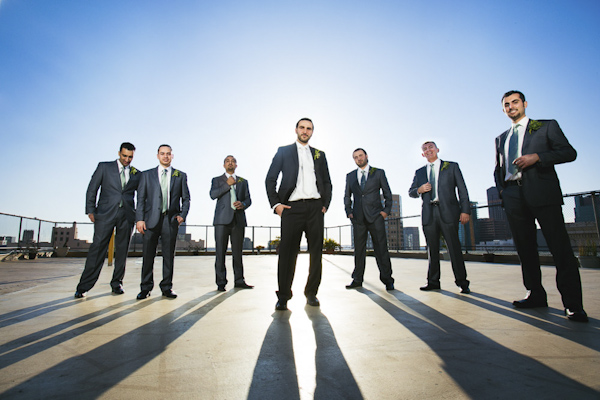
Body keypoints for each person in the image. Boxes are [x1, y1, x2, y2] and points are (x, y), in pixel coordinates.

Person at [495, 90, 587, 322]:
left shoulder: (546, 126)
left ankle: (573, 304)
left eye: (515, 102)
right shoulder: (501, 138)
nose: (511, 107)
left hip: (542, 191)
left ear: (524, 104)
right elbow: (499, 168)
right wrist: (503, 192)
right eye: (506, 104)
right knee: (525, 249)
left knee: (560, 248)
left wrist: (537, 157)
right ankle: (535, 294)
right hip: (513, 195)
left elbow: (569, 152)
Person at [265, 118, 332, 310]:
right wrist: (276, 204)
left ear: (312, 132)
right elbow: (270, 179)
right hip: (291, 209)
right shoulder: (283, 151)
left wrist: (325, 204)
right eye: (302, 127)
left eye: (308, 129)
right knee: (287, 253)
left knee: (316, 253)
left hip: (315, 209)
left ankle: (311, 293)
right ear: (296, 129)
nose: (305, 131)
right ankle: (283, 296)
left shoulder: (320, 154)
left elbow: (327, 181)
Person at [75, 142, 140, 298]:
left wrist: (140, 216)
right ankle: (84, 286)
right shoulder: (104, 167)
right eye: (124, 156)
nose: (127, 159)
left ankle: (117, 283)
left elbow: (142, 196)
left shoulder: (137, 173)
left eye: (130, 157)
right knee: (97, 249)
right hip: (105, 214)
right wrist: (90, 209)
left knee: (122, 250)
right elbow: (92, 188)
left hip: (127, 216)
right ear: (119, 153)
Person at [409, 141, 471, 293]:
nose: (428, 150)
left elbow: (462, 190)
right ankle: (433, 282)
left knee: (454, 248)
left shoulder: (451, 166)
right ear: (422, 154)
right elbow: (411, 192)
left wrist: (465, 211)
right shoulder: (420, 172)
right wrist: (419, 190)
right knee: (432, 250)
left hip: (448, 212)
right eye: (425, 149)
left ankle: (462, 282)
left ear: (437, 149)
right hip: (429, 214)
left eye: (431, 147)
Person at [135, 144, 190, 300]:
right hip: (150, 220)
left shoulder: (180, 175)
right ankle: (145, 288)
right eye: (162, 153)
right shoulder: (146, 175)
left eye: (168, 154)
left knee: (168, 256)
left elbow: (186, 198)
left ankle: (166, 287)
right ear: (157, 155)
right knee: (148, 255)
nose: (165, 156)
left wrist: (182, 215)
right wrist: (139, 218)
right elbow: (140, 199)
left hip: (170, 220)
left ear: (172, 156)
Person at [344, 148, 395, 290]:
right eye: (355, 157)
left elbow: (387, 194)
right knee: (359, 250)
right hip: (358, 218)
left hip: (376, 217)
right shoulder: (350, 176)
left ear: (366, 156)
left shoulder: (378, 173)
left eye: (360, 156)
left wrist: (385, 212)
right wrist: (349, 212)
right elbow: (347, 196)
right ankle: (357, 279)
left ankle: (387, 279)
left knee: (381, 249)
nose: (359, 159)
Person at [210, 155, 253, 291]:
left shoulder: (243, 181)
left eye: (233, 161)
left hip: (238, 220)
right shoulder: (217, 180)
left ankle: (239, 280)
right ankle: (221, 283)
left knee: (237, 253)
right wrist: (227, 185)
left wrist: (243, 204)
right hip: (221, 221)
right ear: (224, 165)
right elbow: (213, 195)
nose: (230, 163)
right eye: (228, 161)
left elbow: (248, 199)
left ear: (236, 165)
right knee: (220, 253)